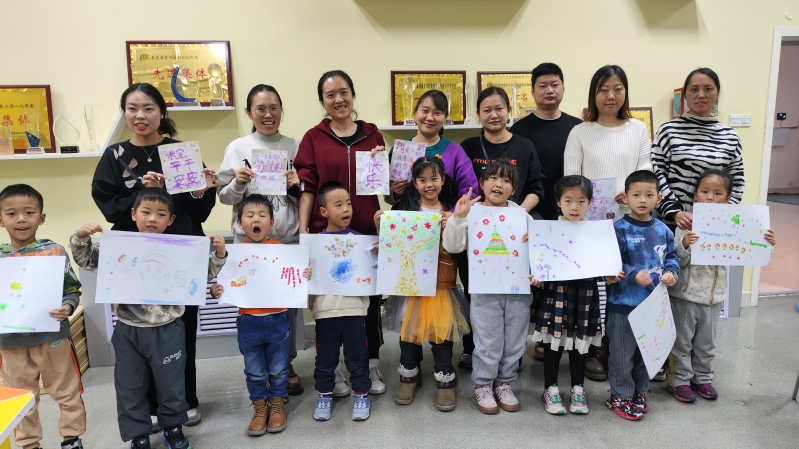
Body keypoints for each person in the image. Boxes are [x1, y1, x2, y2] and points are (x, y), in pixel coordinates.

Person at [91, 83, 218, 428]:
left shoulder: (180, 153)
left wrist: (198, 191)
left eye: (148, 108)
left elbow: (201, 210)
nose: (140, 115)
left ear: (161, 112)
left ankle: (185, 401)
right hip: (135, 258)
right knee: (137, 332)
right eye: (132, 108)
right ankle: (148, 408)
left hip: (180, 253)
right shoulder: (114, 155)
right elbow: (108, 205)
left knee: (181, 330)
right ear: (125, 113)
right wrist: (143, 194)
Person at [70, 188, 227, 448]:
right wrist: (80, 237)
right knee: (129, 385)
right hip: (128, 329)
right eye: (146, 212)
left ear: (171, 220)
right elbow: (87, 260)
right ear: (134, 214)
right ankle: (138, 434)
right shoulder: (119, 247)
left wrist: (219, 255)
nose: (152, 218)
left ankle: (173, 428)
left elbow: (200, 275)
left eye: (161, 214)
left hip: (168, 328)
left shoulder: (180, 250)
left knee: (172, 383)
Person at [294, 70, 387, 395]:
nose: (338, 99)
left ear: (352, 94)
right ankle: (332, 369)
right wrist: (304, 231)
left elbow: (384, 187)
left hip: (365, 234)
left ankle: (371, 365)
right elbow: (307, 188)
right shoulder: (313, 138)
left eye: (343, 92)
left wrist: (384, 167)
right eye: (330, 94)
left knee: (368, 304)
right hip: (326, 238)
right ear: (323, 101)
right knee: (328, 307)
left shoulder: (373, 135)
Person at [563, 65, 652, 382]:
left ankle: (629, 349)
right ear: (594, 94)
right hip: (590, 224)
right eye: (603, 89)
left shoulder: (638, 129)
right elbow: (570, 179)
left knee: (626, 284)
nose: (610, 95)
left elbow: (645, 174)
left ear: (626, 92)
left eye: (617, 88)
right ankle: (595, 349)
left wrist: (632, 194)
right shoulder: (580, 132)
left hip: (632, 221)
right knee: (594, 289)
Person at [217, 84, 305, 396]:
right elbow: (224, 196)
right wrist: (238, 184)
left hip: (287, 241)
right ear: (249, 113)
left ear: (281, 111)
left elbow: (306, 193)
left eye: (274, 108)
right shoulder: (237, 148)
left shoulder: (295, 146)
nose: (268, 115)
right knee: (253, 306)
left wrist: (296, 185)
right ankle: (259, 367)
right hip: (250, 245)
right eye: (260, 109)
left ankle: (286, 364)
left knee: (286, 309)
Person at [384, 89, 480, 370]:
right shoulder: (400, 149)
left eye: (437, 112)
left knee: (443, 302)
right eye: (424, 110)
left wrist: (453, 215)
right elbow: (389, 197)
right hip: (411, 242)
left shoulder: (454, 150)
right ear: (415, 113)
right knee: (410, 308)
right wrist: (393, 191)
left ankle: (445, 366)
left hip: (444, 238)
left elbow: (470, 191)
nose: (430, 117)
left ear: (445, 118)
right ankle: (409, 366)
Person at [667, 170, 776, 403]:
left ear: (728, 199)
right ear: (695, 194)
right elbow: (676, 261)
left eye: (717, 193)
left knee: (707, 344)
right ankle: (680, 380)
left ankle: (702, 378)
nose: (710, 197)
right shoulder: (686, 225)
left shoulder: (736, 225)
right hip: (685, 297)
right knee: (681, 342)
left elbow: (749, 251)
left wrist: (766, 243)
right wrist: (685, 244)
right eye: (704, 191)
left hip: (714, 298)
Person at [210, 195, 310, 435]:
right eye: (250, 215)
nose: (256, 219)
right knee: (254, 370)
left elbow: (294, 278)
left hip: (278, 320)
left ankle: (276, 404)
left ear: (271, 222)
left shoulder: (282, 251)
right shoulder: (233, 254)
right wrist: (216, 290)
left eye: (262, 215)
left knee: (279, 368)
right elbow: (220, 280)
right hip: (249, 322)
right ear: (239, 223)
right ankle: (259, 407)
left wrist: (304, 275)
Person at [442, 159, 535, 415]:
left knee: (515, 340)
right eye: (493, 178)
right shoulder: (472, 213)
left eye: (506, 180)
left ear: (514, 189)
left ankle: (504, 383)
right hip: (484, 290)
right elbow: (452, 246)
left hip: (517, 291)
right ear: (482, 183)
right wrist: (458, 218)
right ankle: (483, 385)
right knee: (487, 340)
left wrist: (535, 242)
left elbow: (539, 251)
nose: (499, 184)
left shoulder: (521, 215)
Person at [379, 156, 469, 411]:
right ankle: (409, 374)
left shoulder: (451, 212)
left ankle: (444, 377)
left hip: (441, 284)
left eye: (434, 179)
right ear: (415, 183)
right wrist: (383, 224)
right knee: (409, 334)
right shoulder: (406, 212)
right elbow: (394, 245)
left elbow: (456, 247)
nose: (429, 184)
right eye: (422, 180)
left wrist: (454, 222)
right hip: (412, 286)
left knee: (441, 335)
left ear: (443, 180)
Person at [0, 184, 86, 449]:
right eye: (11, 213)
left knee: (66, 390)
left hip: (52, 337)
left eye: (29, 212)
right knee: (20, 397)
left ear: (41, 217)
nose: (21, 219)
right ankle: (29, 444)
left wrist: (67, 308)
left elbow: (72, 289)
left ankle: (72, 439)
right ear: (0, 219)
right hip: (10, 343)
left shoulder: (55, 252)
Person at [602, 171, 679, 421]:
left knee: (647, 353)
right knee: (622, 355)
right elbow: (610, 264)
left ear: (659, 198)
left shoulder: (664, 230)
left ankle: (639, 392)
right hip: (623, 305)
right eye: (636, 195)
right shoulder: (618, 229)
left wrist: (671, 273)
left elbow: (671, 258)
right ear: (626, 197)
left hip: (654, 306)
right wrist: (633, 276)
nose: (642, 200)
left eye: (648, 195)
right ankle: (620, 395)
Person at [530, 175, 603, 415]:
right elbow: (541, 263)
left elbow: (602, 264)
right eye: (568, 200)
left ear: (589, 202)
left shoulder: (596, 233)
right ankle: (550, 388)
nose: (574, 207)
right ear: (558, 202)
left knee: (579, 344)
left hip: (584, 295)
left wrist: (610, 273)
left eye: (581, 201)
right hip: (556, 295)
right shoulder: (548, 230)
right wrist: (538, 274)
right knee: (553, 343)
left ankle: (578, 389)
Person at [309, 182, 372, 422]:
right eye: (338, 205)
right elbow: (306, 280)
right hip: (326, 312)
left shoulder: (361, 241)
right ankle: (325, 394)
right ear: (323, 212)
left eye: (348, 203)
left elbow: (373, 273)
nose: (346, 209)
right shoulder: (314, 244)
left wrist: (377, 254)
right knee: (325, 358)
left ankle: (361, 395)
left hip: (355, 310)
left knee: (358, 356)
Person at [652, 68, 745, 230]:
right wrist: (675, 212)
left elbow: (737, 183)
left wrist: (722, 215)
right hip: (669, 224)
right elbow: (656, 175)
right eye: (694, 89)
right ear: (685, 95)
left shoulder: (730, 137)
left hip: (713, 225)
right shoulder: (668, 131)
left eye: (708, 89)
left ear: (717, 94)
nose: (701, 95)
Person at [510, 62, 583, 221]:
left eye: (554, 85)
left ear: (563, 88)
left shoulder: (578, 127)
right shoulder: (518, 130)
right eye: (543, 86)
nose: (549, 90)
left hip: (572, 211)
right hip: (530, 213)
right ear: (532, 91)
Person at [460, 86, 544, 216]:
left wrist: (517, 214)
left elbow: (536, 188)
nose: (494, 115)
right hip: (475, 217)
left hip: (515, 216)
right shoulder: (468, 146)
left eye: (499, 109)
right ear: (478, 114)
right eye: (487, 110)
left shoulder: (525, 146)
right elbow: (460, 186)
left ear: (508, 110)